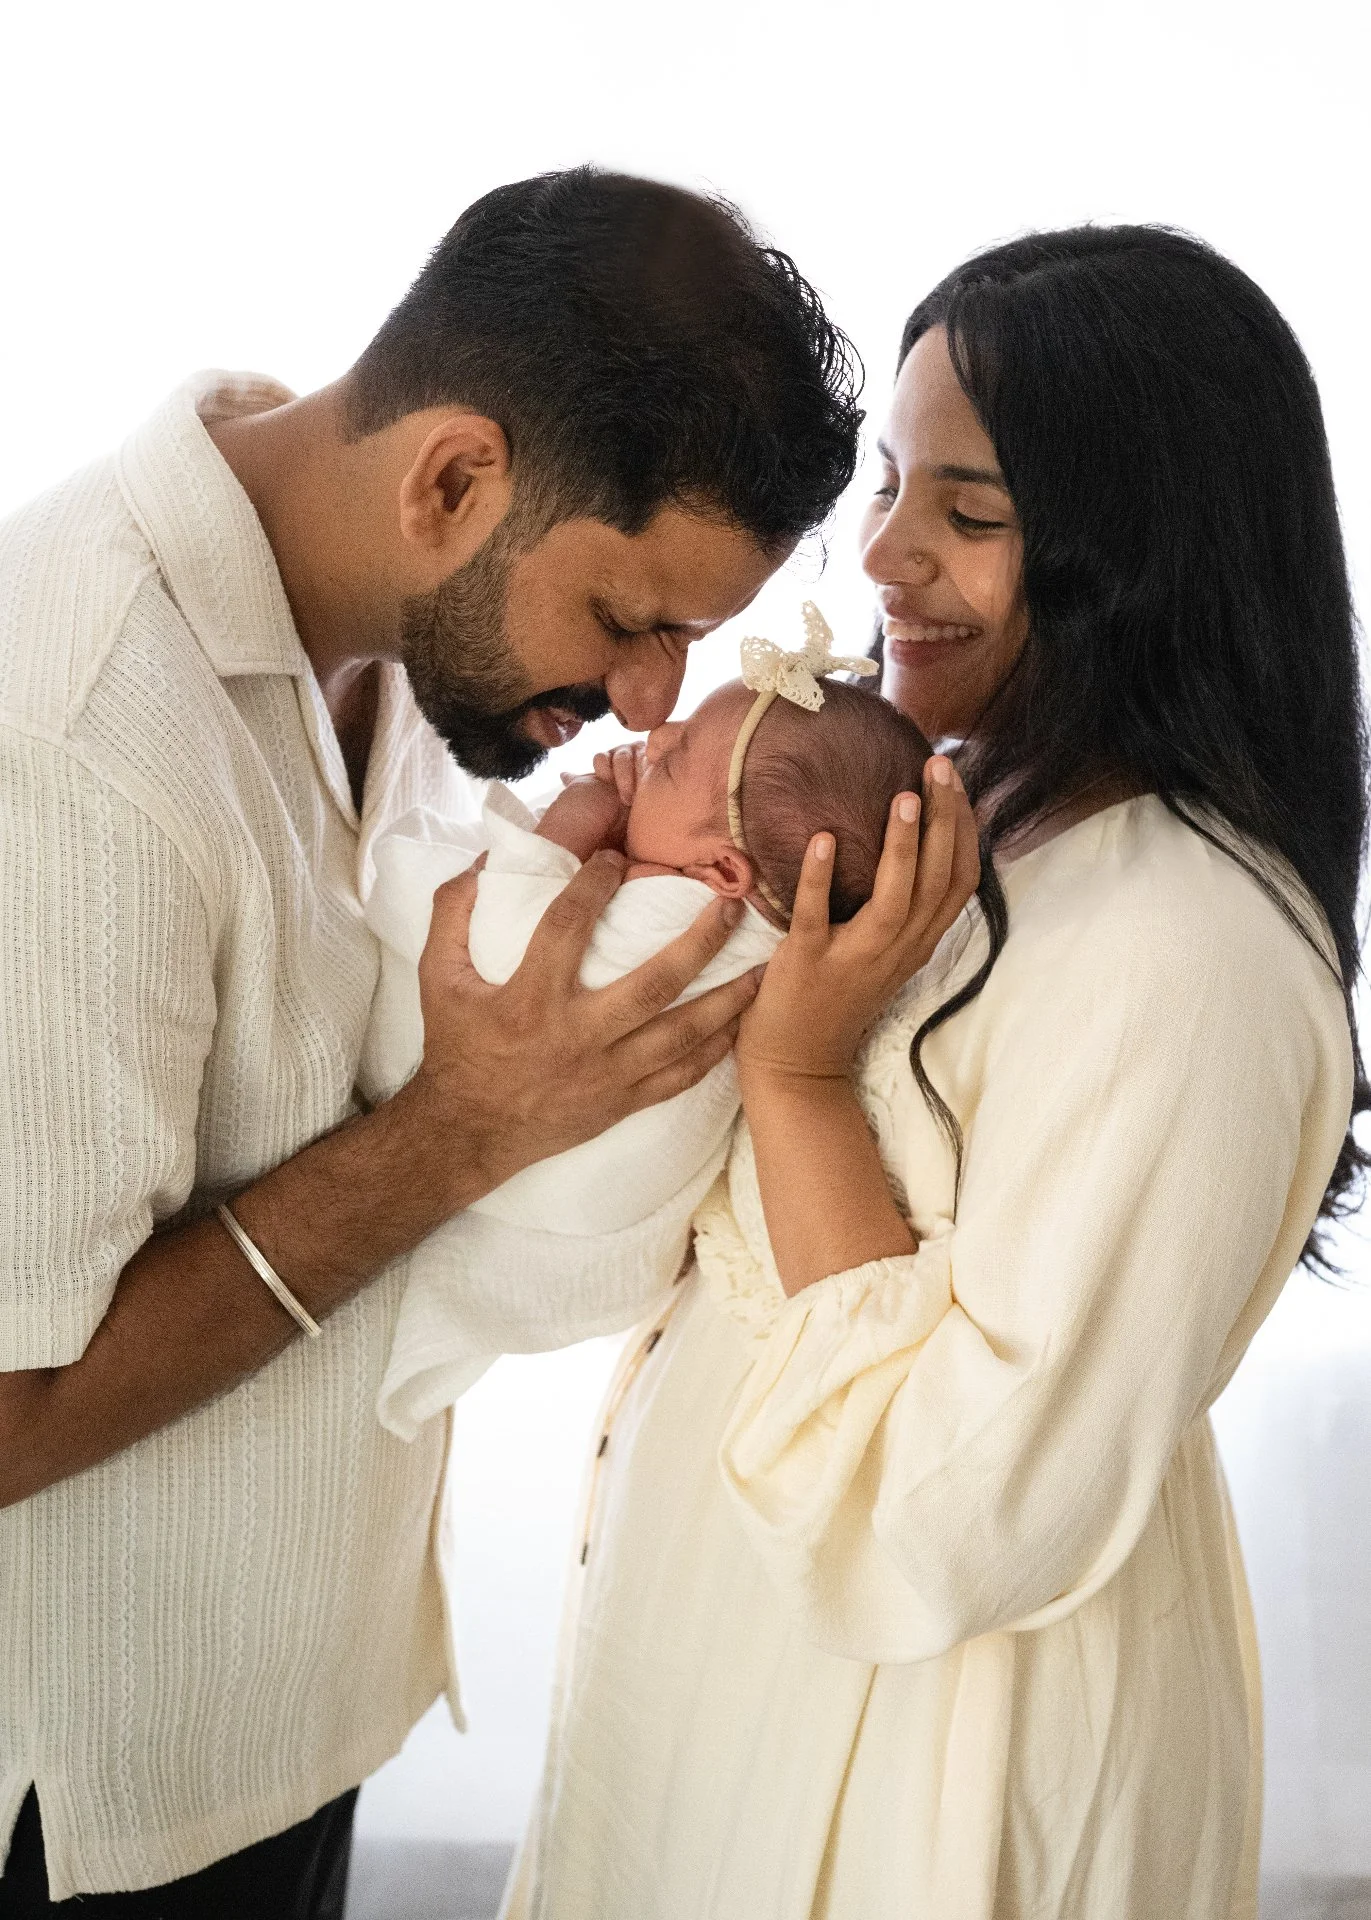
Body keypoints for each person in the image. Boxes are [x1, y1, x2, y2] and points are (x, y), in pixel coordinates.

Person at [0, 167, 880, 1914]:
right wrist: (460, 1139)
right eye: (634, 624)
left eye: (690, 644)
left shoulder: (400, 632)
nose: (648, 703)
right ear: (454, 479)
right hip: (88, 1796)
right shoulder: (79, 732)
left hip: (294, 1720)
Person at [502, 227, 1366, 1920]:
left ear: (1144, 550)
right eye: (895, 485)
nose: (882, 554)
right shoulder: (951, 818)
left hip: (929, 1768)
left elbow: (957, 1520)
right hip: (733, 1706)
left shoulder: (1188, 950)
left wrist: (802, 1083)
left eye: (968, 514)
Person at [362, 612, 951, 1438]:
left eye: (670, 763)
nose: (653, 733)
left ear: (720, 873)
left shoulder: (688, 921)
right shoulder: (762, 945)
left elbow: (491, 933)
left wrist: (578, 816)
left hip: (555, 1192)